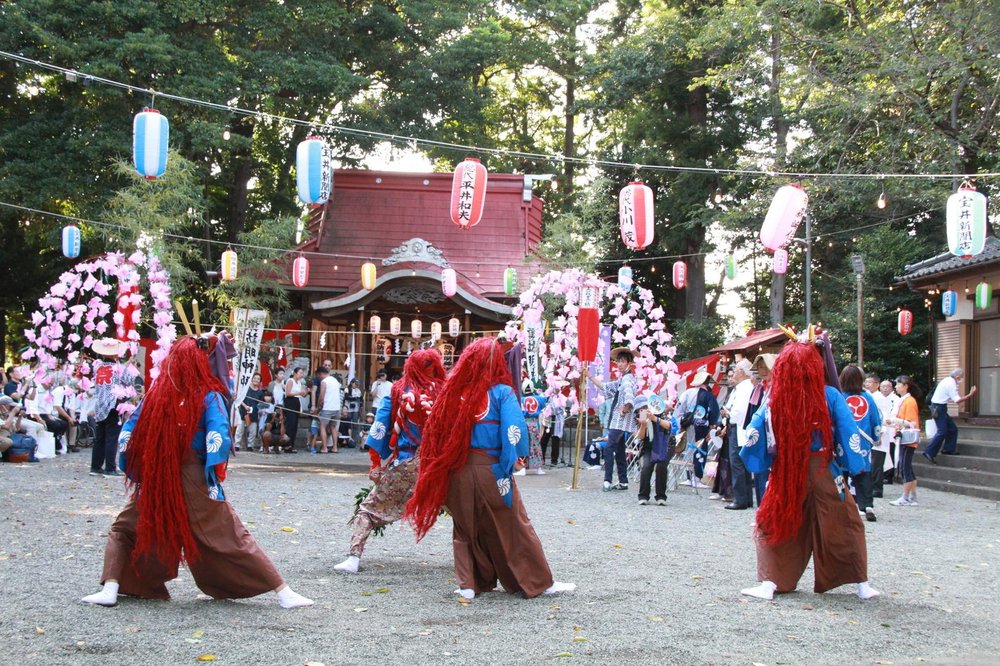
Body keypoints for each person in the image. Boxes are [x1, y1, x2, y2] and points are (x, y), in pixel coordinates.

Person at [80, 334, 313, 609]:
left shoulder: (156, 393)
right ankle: (283, 592)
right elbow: (219, 437)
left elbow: (130, 432)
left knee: (126, 528)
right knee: (229, 532)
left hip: (157, 474)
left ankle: (111, 588)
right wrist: (211, 471)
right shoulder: (208, 395)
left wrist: (138, 465)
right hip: (194, 475)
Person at [404, 338, 575, 600]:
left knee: (465, 527)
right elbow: (513, 429)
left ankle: (469, 584)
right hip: (492, 470)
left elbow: (435, 433)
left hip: (458, 471)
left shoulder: (452, 393)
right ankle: (539, 582)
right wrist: (512, 461)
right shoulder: (502, 392)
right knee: (514, 525)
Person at [740, 328, 878, 602]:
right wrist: (854, 462)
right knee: (845, 520)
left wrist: (759, 457)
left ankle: (769, 582)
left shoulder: (777, 395)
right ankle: (862, 584)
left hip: (787, 469)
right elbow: (848, 430)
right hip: (823, 467)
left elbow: (756, 429)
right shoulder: (829, 395)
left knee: (777, 520)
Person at [334, 349, 446, 574]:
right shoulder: (445, 392)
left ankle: (353, 559)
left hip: (406, 464)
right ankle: (476, 563)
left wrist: (376, 464)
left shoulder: (398, 392)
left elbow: (379, 428)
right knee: (464, 513)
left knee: (368, 510)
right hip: (439, 466)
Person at [588, 347, 638, 491]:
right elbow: (605, 387)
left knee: (609, 447)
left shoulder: (627, 379)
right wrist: (590, 377)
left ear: (629, 363)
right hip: (619, 420)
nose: (619, 364)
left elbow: (629, 396)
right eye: (618, 361)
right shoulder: (623, 379)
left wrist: (625, 408)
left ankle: (607, 480)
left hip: (620, 420)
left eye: (622, 361)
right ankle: (623, 481)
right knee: (620, 450)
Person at [840, 364, 881, 522]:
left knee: (842, 473)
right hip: (862, 441)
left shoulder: (839, 396)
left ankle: (842, 504)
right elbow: (875, 419)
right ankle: (867, 506)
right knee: (863, 472)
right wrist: (876, 436)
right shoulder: (867, 397)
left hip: (843, 441)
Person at [90, 339, 134, 477]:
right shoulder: (120, 368)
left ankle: (95, 466)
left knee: (100, 437)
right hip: (113, 404)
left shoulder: (97, 367)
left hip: (99, 404)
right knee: (111, 437)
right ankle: (110, 468)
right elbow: (129, 380)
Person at [721, 359, 754, 510]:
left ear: (741, 372)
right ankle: (746, 498)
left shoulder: (743, 388)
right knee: (743, 465)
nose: (733, 373)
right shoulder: (746, 387)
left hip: (738, 427)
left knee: (737, 464)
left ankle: (740, 498)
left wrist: (728, 413)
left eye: (735, 370)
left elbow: (738, 412)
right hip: (741, 428)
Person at [923, 369, 976, 462]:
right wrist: (970, 395)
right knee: (942, 431)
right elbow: (957, 400)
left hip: (938, 407)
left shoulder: (946, 380)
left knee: (952, 429)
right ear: (957, 377)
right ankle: (929, 452)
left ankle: (948, 449)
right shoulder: (951, 383)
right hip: (939, 408)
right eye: (962, 377)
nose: (962, 379)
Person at [888, 375, 922, 506]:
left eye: (898, 384)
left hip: (907, 439)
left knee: (904, 467)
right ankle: (912, 497)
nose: (896, 386)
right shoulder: (905, 400)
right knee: (907, 467)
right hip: (904, 438)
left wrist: (894, 420)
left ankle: (906, 497)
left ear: (905, 386)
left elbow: (910, 422)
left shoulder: (909, 401)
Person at [635, 395, 674, 506]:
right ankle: (643, 496)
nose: (644, 409)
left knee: (661, 466)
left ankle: (661, 496)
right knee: (646, 467)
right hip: (648, 446)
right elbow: (640, 437)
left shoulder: (661, 413)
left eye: (645, 406)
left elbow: (668, 426)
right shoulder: (639, 417)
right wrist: (643, 425)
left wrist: (654, 419)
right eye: (640, 408)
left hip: (664, 445)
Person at [520, 380, 547, 475]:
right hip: (535, 423)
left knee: (523, 444)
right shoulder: (539, 398)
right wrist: (539, 392)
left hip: (524, 423)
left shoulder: (520, 399)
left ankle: (522, 468)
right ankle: (538, 468)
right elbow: (546, 399)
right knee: (536, 445)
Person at [314, 367, 342, 453]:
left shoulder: (324, 381)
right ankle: (335, 447)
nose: (319, 378)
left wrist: (317, 407)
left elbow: (321, 396)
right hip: (336, 408)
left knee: (322, 426)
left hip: (327, 407)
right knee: (333, 427)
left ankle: (324, 448)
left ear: (321, 374)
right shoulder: (335, 380)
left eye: (319, 376)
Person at [234, 373, 263, 452]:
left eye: (258, 379)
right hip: (243, 412)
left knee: (253, 431)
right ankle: (236, 445)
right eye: (255, 378)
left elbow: (260, 404)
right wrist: (245, 406)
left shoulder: (260, 392)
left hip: (254, 414)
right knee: (240, 430)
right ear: (252, 378)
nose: (256, 380)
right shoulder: (246, 389)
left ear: (260, 381)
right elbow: (239, 399)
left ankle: (250, 445)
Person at [282, 366, 308, 452]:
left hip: (297, 401)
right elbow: (288, 393)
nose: (301, 375)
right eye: (300, 373)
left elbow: (301, 394)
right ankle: (287, 445)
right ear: (295, 373)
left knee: (295, 425)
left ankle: (291, 445)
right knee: (290, 424)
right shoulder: (290, 381)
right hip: (290, 402)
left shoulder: (299, 382)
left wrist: (306, 391)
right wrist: (299, 392)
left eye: (302, 373)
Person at [539, 401, 565, 466]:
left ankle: (554, 460)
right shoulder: (547, 398)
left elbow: (561, 409)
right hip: (547, 421)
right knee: (543, 440)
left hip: (556, 421)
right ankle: (542, 459)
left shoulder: (560, 398)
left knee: (555, 441)